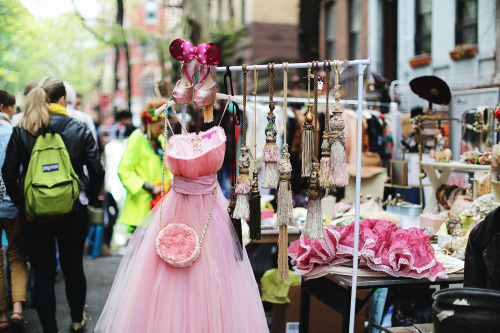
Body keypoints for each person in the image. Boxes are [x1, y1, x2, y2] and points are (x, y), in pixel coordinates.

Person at [95, 103, 269, 333]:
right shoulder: (149, 137)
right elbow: (128, 169)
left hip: (196, 208)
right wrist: (150, 187)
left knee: (197, 272)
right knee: (183, 266)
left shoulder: (179, 134)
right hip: (182, 207)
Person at [2, 77, 104, 333]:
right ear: (61, 100)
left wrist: (21, 201)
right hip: (72, 210)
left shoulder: (24, 129)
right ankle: (77, 319)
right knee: (72, 267)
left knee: (42, 269)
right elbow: (96, 168)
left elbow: (8, 171)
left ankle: (49, 327)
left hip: (34, 212)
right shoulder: (78, 127)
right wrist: (89, 198)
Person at [116, 99, 172, 234]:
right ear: (149, 122)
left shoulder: (158, 140)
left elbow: (167, 168)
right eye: (160, 127)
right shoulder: (137, 138)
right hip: (142, 208)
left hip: (160, 205)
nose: (161, 131)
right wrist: (150, 187)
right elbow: (124, 170)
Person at [0, 90, 27, 331]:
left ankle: (1, 315)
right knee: (17, 256)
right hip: (12, 203)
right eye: (11, 107)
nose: (13, 111)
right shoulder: (13, 132)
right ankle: (17, 308)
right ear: (3, 107)